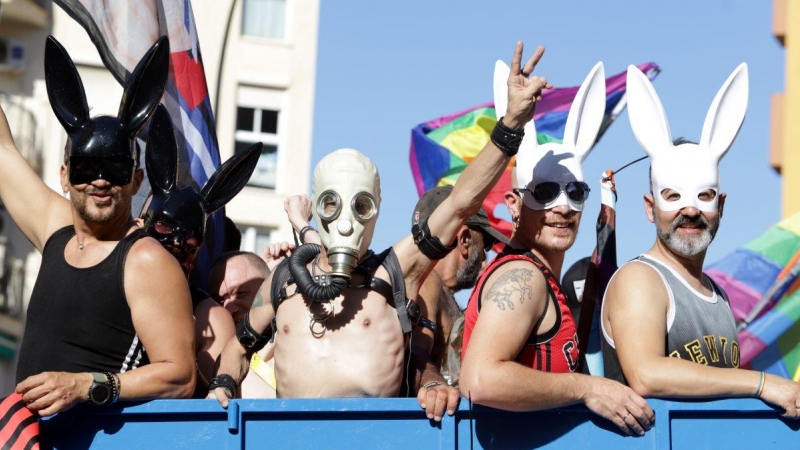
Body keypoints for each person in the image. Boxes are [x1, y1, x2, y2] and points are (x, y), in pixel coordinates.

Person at [209, 41, 552, 423]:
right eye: (331, 204)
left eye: (361, 206)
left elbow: (460, 203)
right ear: (318, 205)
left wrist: (510, 126)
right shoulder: (286, 279)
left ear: (376, 209)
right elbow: (238, 348)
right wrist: (222, 383)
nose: (345, 221)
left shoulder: (395, 272)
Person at [460, 60, 655, 437]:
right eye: (545, 193)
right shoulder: (523, 277)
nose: (563, 207)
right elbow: (480, 379)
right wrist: (588, 388)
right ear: (514, 204)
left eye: (576, 193)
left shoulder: (540, 276)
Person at [4, 36, 196, 416]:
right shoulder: (57, 228)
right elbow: (2, 150)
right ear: (65, 175)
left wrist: (85, 385)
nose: (100, 181)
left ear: (137, 181)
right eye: (86, 168)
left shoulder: (145, 259)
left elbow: (181, 376)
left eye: (116, 170)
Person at [601, 64, 800, 418]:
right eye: (673, 196)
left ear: (720, 206)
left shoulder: (716, 294)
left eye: (704, 196)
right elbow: (647, 374)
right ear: (650, 208)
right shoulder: (641, 280)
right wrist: (761, 384)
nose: (690, 210)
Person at [138, 104, 261, 396]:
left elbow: (218, 406)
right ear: (142, 225)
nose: (177, 246)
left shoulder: (211, 317)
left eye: (191, 243)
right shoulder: (113, 279)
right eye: (165, 230)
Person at [409, 185, 507, 416]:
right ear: (464, 239)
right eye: (487, 244)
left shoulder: (440, 291)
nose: (485, 256)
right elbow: (413, 349)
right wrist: (433, 385)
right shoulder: (427, 282)